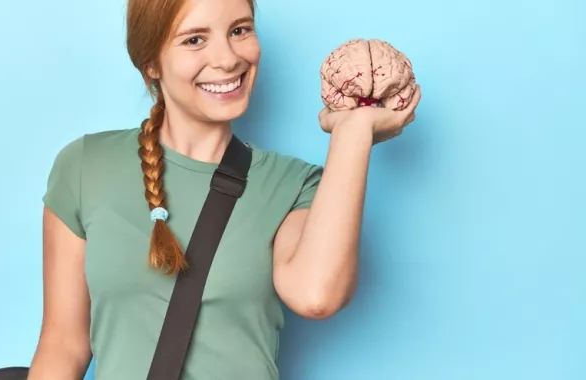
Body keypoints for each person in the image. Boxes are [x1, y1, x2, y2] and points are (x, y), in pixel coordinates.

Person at [27, 0, 421, 378]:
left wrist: (353, 133)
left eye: (239, 30)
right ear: (151, 62)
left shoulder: (293, 184)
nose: (228, 58)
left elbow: (317, 296)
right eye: (195, 39)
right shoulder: (86, 166)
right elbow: (64, 345)